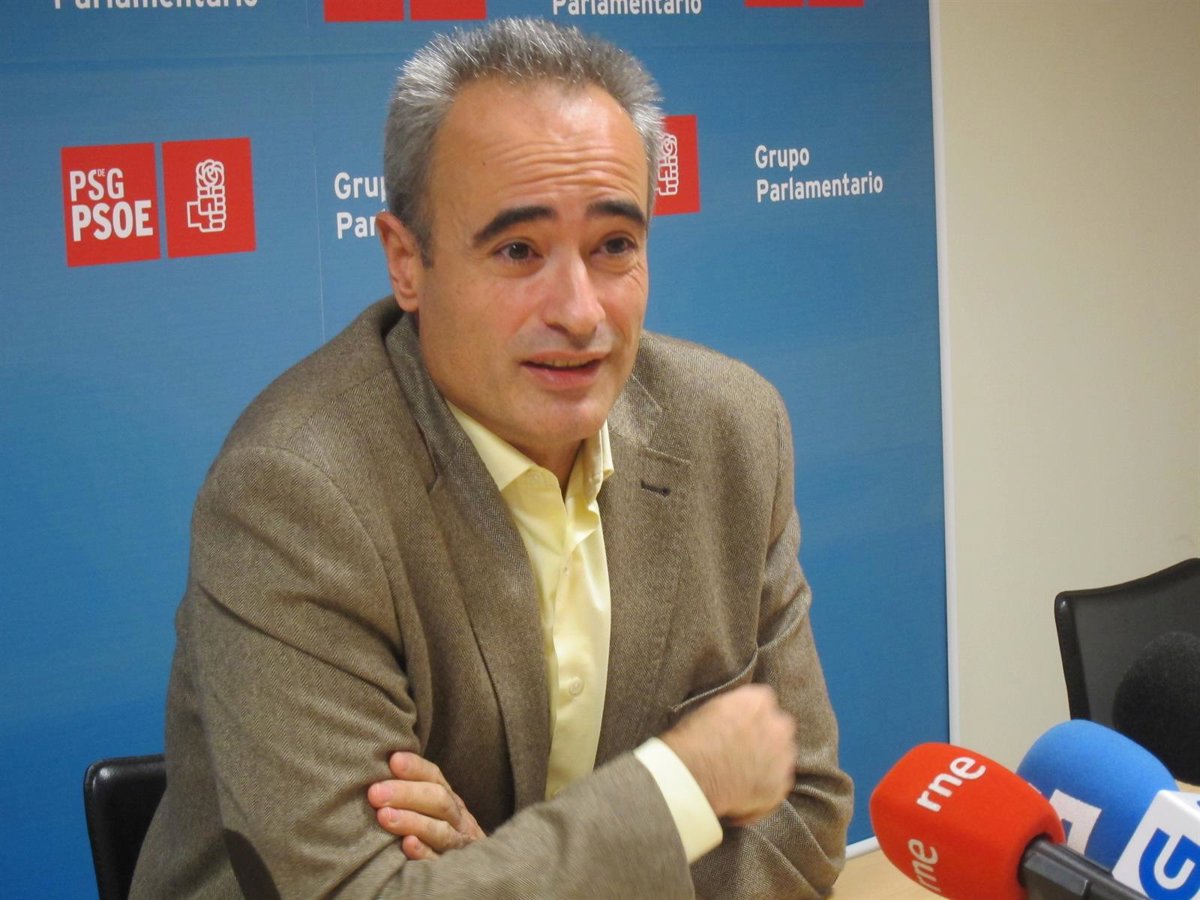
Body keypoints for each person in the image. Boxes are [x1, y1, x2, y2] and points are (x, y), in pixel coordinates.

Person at [131, 17, 852, 899]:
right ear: (407, 262)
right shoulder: (295, 492)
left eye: (614, 246)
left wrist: (494, 869)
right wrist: (680, 790)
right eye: (518, 250)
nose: (580, 312)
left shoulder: (732, 431)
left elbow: (805, 822)